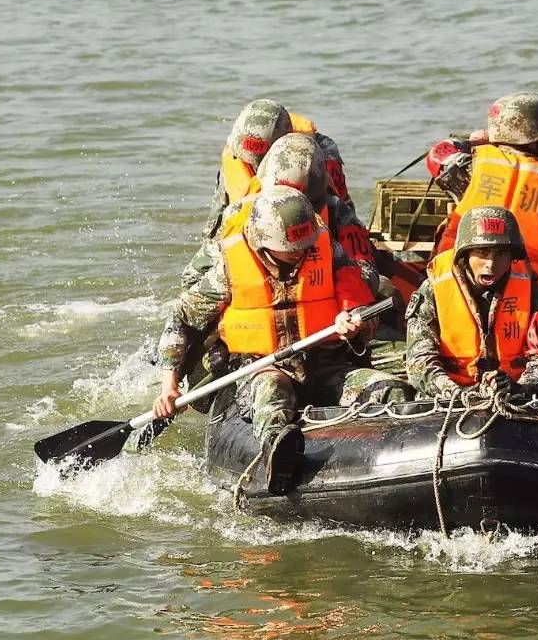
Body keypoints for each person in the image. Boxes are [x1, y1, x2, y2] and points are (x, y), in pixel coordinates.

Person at [154, 187, 409, 494]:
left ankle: (399, 467)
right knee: (271, 395)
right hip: (264, 368)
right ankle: (280, 460)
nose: (301, 253)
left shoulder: (327, 250)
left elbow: (358, 300)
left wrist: (354, 321)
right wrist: (169, 384)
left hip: (326, 364)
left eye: (305, 246)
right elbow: (182, 318)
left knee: (390, 389)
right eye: (291, 249)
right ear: (264, 244)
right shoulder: (229, 268)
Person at [432, 93, 538, 295]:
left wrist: (481, 139)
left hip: (454, 276)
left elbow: (437, 153)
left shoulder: (474, 164)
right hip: (525, 287)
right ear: (535, 139)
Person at [182, 133, 378, 294]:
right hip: (253, 308)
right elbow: (194, 277)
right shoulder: (240, 214)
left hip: (320, 300)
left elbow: (367, 272)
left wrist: (341, 292)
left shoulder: (336, 211)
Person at [406, 206, 538, 401]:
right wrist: (454, 392)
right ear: (465, 255)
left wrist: (522, 387)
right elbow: (418, 362)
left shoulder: (530, 290)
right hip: (449, 398)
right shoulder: (433, 289)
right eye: (482, 252)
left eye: (501, 254)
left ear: (512, 257)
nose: (491, 264)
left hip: (514, 397)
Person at [200, 100, 354, 242]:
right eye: (251, 162)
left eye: (261, 161)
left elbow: (341, 210)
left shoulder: (318, 156)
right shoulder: (239, 153)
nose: (255, 166)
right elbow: (216, 224)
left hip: (306, 222)